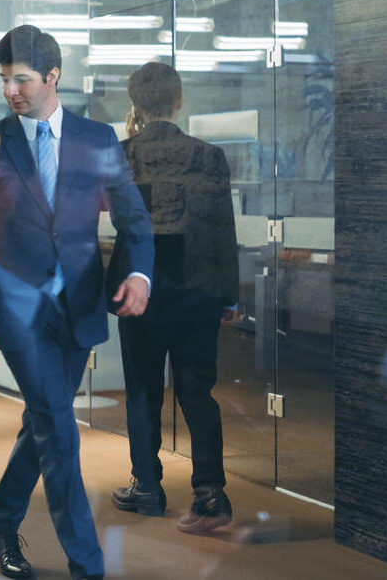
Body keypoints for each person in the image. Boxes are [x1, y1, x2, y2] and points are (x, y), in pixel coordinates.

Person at [0, 25, 153, 580]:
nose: (10, 90)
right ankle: (87, 564)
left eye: (20, 78)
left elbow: (133, 218)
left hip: (80, 305)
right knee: (60, 432)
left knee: (44, 421)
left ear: (52, 77)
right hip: (15, 312)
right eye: (3, 80)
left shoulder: (98, 138)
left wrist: (138, 273)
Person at [108, 61, 239, 534]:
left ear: (135, 103)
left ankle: (146, 486)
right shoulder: (209, 156)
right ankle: (210, 492)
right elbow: (224, 228)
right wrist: (229, 295)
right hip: (199, 290)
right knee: (197, 392)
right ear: (179, 100)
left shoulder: (122, 154)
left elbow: (122, 225)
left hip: (141, 290)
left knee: (143, 390)